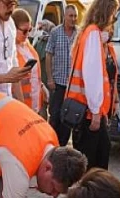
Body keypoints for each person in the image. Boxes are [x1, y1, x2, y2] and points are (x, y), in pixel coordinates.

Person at [67, 0, 120, 170]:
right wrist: (96, 111)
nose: (114, 19)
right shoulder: (92, 35)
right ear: (107, 13)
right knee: (94, 164)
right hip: (90, 113)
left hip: (89, 111)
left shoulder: (91, 34)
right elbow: (93, 76)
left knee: (96, 161)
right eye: (113, 14)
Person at [46, 5, 78, 146]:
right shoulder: (55, 32)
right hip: (58, 83)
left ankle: (63, 147)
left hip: (73, 87)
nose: (73, 19)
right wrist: (50, 78)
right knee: (55, 117)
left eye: (75, 16)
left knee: (68, 120)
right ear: (64, 16)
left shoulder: (79, 34)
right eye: (70, 16)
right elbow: (48, 54)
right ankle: (52, 146)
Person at [13, 9, 47, 115]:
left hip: (36, 106)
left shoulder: (27, 45)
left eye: (30, 30)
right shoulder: (10, 51)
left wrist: (42, 87)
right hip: (22, 109)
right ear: (13, 29)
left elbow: (34, 74)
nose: (27, 34)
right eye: (24, 31)